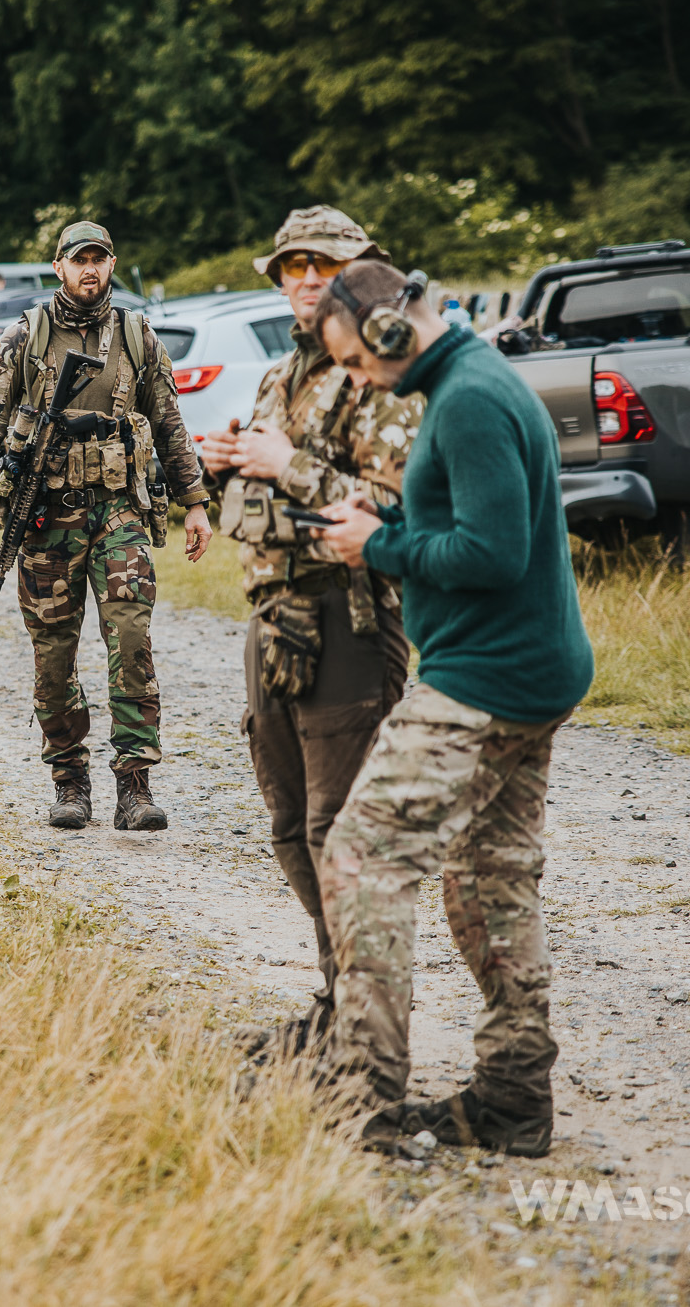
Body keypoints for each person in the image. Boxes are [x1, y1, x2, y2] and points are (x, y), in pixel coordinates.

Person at [302, 257, 593, 1157]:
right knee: (488, 879)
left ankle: (366, 1105)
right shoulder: (475, 381)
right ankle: (513, 1101)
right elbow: (474, 522)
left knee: (360, 857)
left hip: (484, 677)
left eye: (356, 360)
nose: (358, 378)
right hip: (530, 672)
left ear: (390, 328)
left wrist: (379, 545)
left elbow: (493, 552)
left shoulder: (467, 397)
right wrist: (387, 517)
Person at [202, 207, 422, 1057]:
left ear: (357, 268)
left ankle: (367, 1037)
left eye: (319, 264)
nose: (301, 279)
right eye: (289, 266)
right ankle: (338, 1003)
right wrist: (233, 463)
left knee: (344, 833)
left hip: (349, 617)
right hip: (274, 616)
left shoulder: (380, 369)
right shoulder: (281, 373)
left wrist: (276, 465)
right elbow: (248, 504)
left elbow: (391, 506)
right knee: (290, 827)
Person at [0, 221, 214, 830]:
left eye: (99, 260)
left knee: (130, 640)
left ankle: (135, 784)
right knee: (53, 653)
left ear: (112, 264)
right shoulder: (25, 336)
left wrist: (194, 500)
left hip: (118, 510)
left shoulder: (136, 334)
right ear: (58, 267)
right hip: (47, 515)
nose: (90, 270)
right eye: (79, 261)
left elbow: (169, 420)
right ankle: (69, 780)